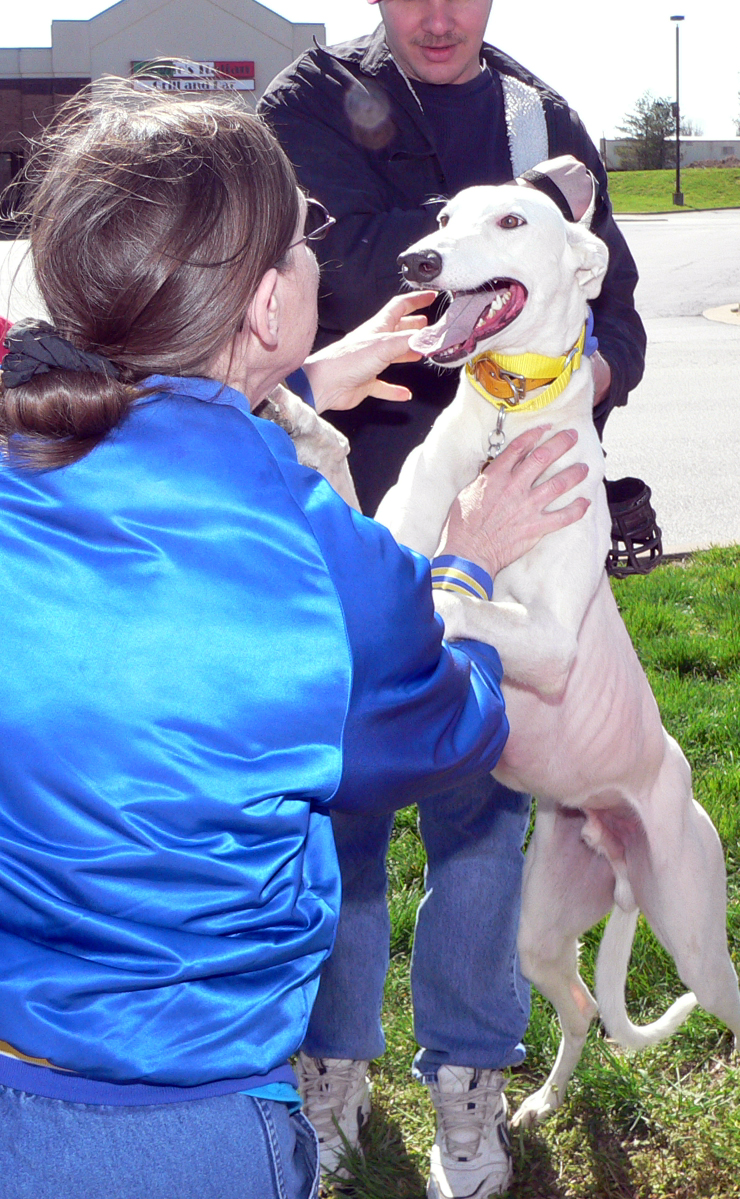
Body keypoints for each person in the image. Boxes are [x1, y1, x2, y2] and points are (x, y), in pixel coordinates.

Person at [0, 77, 588, 1199]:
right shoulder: (329, 562)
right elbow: (443, 730)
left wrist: (292, 380)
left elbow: (145, 432)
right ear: (268, 305)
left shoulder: (26, 435)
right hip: (181, 1122)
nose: (320, 257)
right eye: (304, 239)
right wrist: (460, 565)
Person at [258, 5, 647, 1194]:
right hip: (353, 540)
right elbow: (334, 281)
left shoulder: (540, 115)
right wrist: (507, 234)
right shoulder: (308, 108)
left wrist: (572, 373)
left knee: (484, 822)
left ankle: (469, 1084)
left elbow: (618, 310)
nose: (438, 14)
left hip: (515, 553)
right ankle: (330, 1069)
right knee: (345, 827)